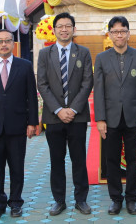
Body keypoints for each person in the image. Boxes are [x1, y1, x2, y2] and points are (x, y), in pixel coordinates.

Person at [0, 29, 39, 219]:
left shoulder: (24, 66)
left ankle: (16, 203)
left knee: (17, 167)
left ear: (13, 44)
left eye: (7, 41)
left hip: (18, 124)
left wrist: (32, 122)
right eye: (0, 41)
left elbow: (31, 97)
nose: (4, 44)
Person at [36, 12, 94, 216]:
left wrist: (73, 109)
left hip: (77, 117)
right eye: (60, 26)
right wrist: (59, 110)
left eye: (68, 26)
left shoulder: (84, 52)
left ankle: (81, 200)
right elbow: (42, 84)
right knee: (56, 160)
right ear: (54, 30)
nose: (64, 29)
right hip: (53, 117)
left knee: (79, 159)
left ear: (73, 29)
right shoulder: (45, 54)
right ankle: (59, 200)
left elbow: (88, 82)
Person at [94, 16, 136, 215]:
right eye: (115, 31)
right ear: (109, 34)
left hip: (134, 118)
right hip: (110, 119)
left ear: (129, 33)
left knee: (134, 159)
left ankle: (132, 199)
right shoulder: (101, 58)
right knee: (112, 160)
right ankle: (116, 199)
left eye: (123, 31)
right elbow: (98, 90)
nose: (119, 35)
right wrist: (100, 119)